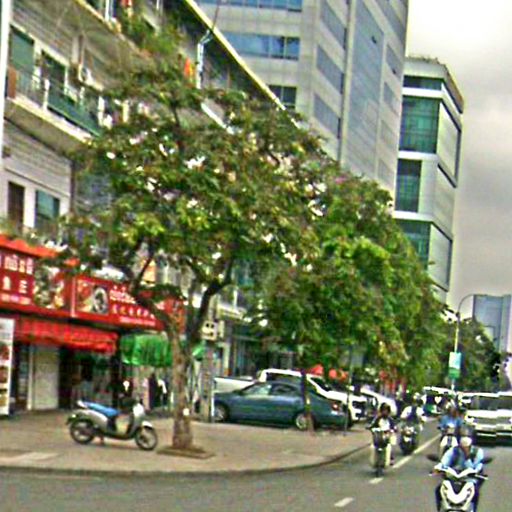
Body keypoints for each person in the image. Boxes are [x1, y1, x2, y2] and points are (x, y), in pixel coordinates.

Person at [434, 436, 485, 511]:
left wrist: (468, 458)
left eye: (466, 447)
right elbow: (445, 461)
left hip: (469, 478)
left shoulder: (477, 452)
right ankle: (440, 509)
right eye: (462, 447)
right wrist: (439, 468)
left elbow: (478, 465)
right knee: (438, 489)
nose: (464, 449)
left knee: (476, 492)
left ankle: (474, 509)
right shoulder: (454, 450)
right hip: (453, 476)